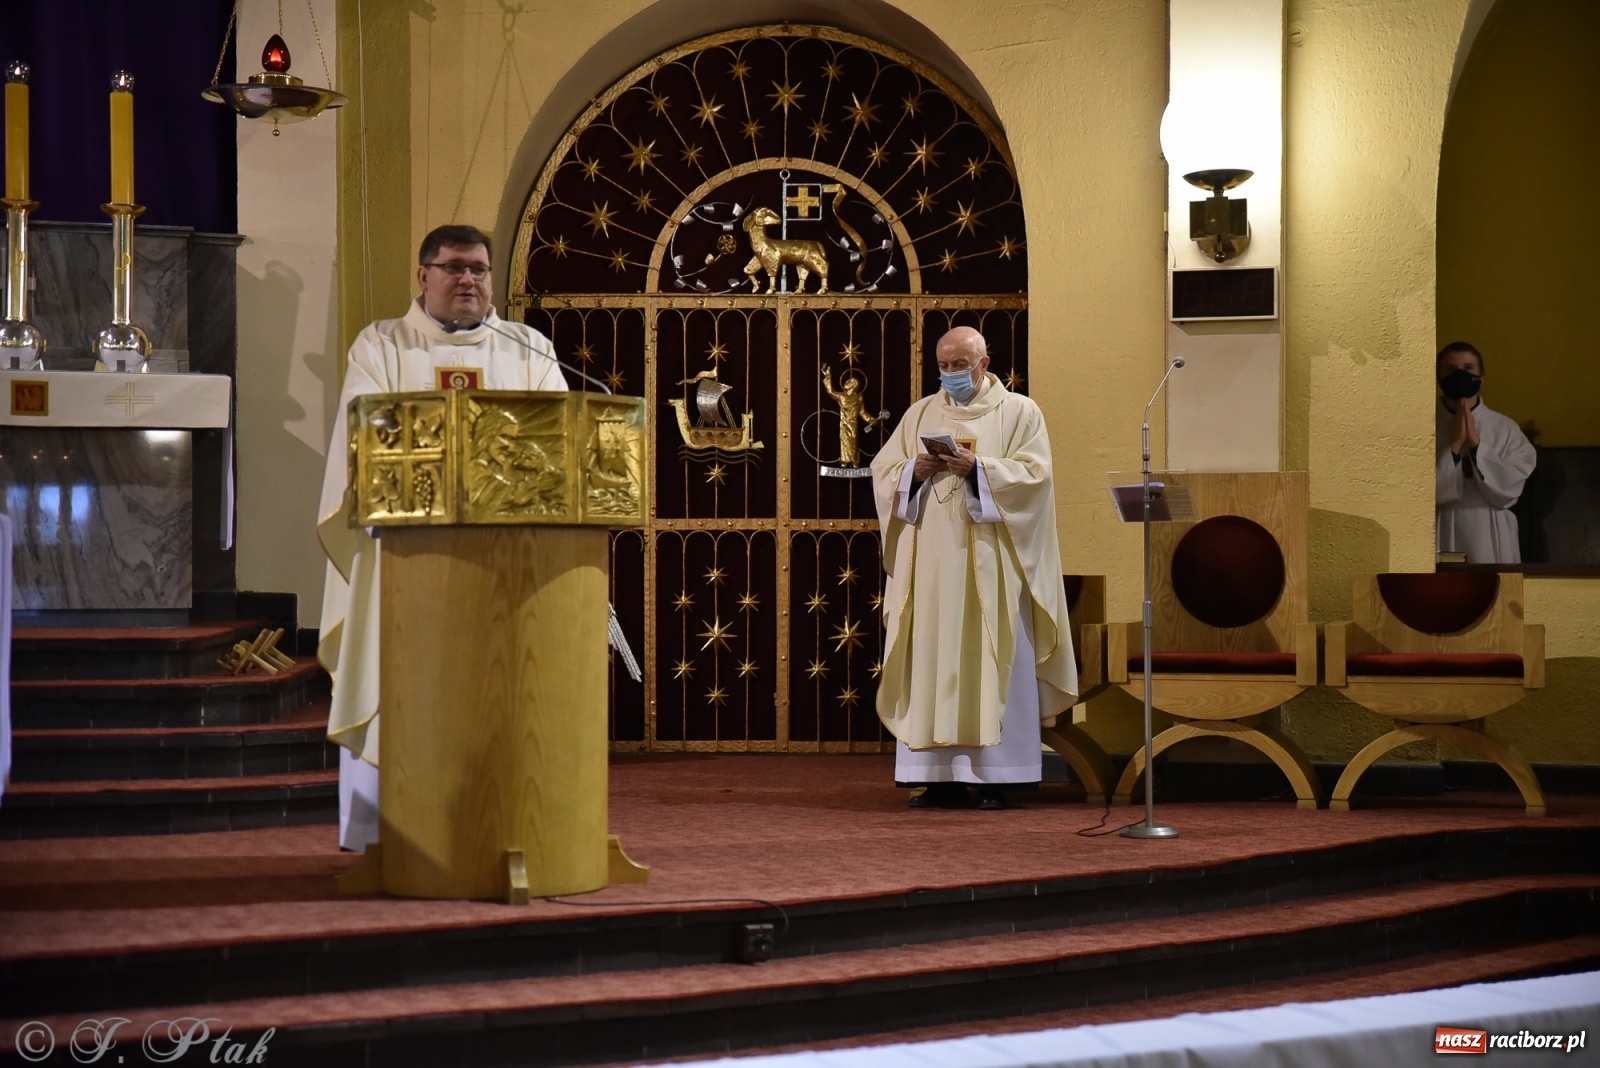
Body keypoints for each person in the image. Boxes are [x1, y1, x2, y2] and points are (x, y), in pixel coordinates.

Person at [317, 224, 567, 850]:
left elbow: (558, 443)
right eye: (453, 267)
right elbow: (364, 433)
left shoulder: (528, 349)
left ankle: (511, 827)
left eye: (479, 269)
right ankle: (380, 834)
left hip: (504, 558)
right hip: (405, 555)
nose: (469, 280)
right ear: (422, 276)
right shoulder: (381, 344)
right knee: (394, 674)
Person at [869, 327, 1078, 810]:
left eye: (959, 365)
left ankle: (997, 777)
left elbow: (1036, 478)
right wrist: (912, 474)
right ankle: (936, 777)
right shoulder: (921, 413)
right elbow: (885, 473)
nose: (950, 374)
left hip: (995, 566)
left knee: (992, 655)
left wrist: (979, 470)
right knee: (933, 655)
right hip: (934, 566)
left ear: (984, 363)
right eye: (943, 365)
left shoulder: (1021, 412)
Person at [1435, 341, 1535, 565]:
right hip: (1442, 525)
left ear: (1481, 377)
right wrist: (1453, 445)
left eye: (1468, 368)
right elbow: (1419, 491)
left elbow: (1509, 489)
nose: (1460, 374)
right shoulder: (1424, 427)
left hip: (1493, 526)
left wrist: (1478, 445)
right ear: (1439, 378)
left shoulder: (1505, 428)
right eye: (1451, 370)